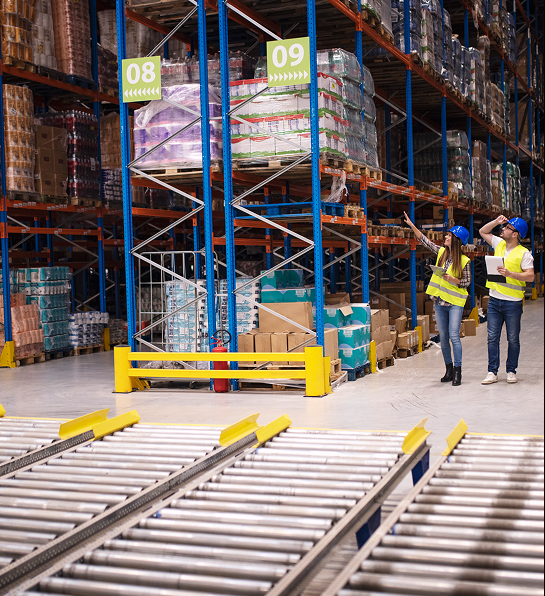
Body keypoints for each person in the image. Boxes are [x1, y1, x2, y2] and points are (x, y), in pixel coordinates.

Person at [403, 212, 471, 386]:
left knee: (454, 336)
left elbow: (466, 282)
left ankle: (458, 371)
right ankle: (449, 370)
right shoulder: (441, 252)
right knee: (444, 337)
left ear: (457, 240)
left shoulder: (464, 261)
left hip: (455, 303)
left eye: (449, 235)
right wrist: (412, 225)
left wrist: (452, 279)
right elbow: (424, 240)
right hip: (440, 302)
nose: (446, 237)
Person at [479, 215, 534, 384]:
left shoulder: (524, 253)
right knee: (492, 338)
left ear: (515, 234)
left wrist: (510, 274)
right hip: (494, 300)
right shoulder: (499, 244)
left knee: (513, 339)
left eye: (507, 227)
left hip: (512, 303)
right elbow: (483, 231)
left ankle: (511, 370)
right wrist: (496, 221)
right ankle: (492, 372)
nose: (503, 229)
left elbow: (530, 276)